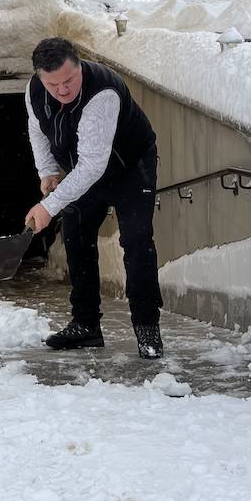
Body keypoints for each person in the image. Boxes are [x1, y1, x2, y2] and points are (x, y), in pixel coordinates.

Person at [23, 37, 163, 357]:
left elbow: (93, 167)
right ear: (40, 77)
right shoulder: (34, 90)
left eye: (69, 80)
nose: (61, 89)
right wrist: (47, 171)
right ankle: (85, 326)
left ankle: (147, 330)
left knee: (137, 241)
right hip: (81, 167)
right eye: (52, 83)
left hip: (129, 167)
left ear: (79, 66)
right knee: (76, 237)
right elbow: (37, 129)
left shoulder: (102, 92)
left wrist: (47, 207)